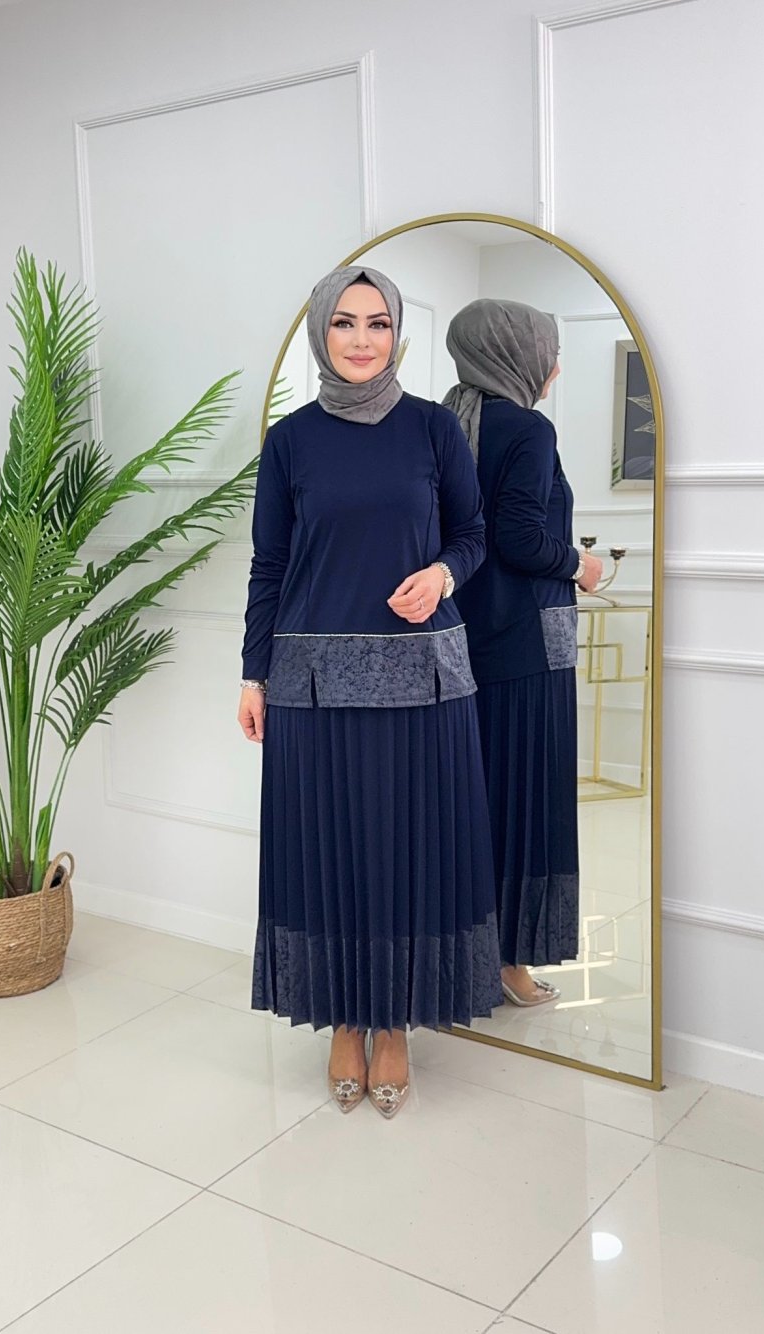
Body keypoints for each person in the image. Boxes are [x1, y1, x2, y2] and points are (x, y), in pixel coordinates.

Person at [238, 265, 502, 1118]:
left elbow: (473, 533)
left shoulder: (433, 428)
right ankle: (344, 1018)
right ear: (322, 332)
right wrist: (252, 674)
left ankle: (393, 1024)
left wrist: (442, 574)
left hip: (421, 677)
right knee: (330, 853)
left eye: (377, 323)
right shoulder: (289, 441)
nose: (361, 339)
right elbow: (270, 565)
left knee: (404, 850)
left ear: (397, 334)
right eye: (344, 323)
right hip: (312, 681)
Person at [443, 299, 603, 1006]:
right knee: (526, 805)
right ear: (515, 355)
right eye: (549, 352)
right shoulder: (528, 428)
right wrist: (582, 566)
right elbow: (522, 540)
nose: (555, 368)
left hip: (459, 644)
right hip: (529, 653)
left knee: (471, 803)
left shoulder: (443, 421)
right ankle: (510, 966)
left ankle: (462, 960)